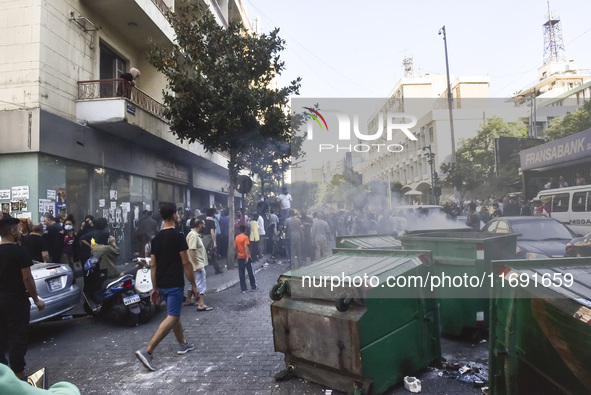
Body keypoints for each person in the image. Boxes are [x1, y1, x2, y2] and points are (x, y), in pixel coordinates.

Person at [135, 205, 197, 371]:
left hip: (161, 283)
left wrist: (154, 288)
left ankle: (183, 343)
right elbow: (186, 262)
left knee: (174, 314)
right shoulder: (178, 236)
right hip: (175, 283)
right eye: (178, 213)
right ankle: (148, 350)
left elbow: (153, 265)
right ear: (174, 215)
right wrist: (194, 286)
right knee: (172, 316)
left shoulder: (156, 239)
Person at [0, 216, 45, 379]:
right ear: (12, 232)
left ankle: (3, 378)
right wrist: (36, 299)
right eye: (18, 229)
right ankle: (18, 378)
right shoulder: (20, 251)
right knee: (17, 339)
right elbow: (27, 278)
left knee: (1, 338)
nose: (21, 232)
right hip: (16, 302)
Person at [184, 219, 213, 311]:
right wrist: (197, 264)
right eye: (203, 224)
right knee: (201, 284)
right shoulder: (193, 235)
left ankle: (190, 300)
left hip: (196, 264)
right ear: (199, 225)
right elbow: (191, 250)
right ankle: (201, 304)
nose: (204, 226)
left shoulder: (194, 235)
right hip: (197, 264)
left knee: (195, 282)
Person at [234, 224, 256, 293]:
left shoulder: (237, 237)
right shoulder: (246, 237)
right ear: (245, 230)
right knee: (250, 272)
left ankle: (243, 288)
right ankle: (253, 286)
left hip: (240, 257)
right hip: (246, 257)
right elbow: (246, 247)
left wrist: (237, 254)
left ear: (239, 230)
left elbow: (235, 247)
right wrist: (247, 257)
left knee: (241, 272)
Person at [203, 208, 222, 274]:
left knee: (209, 255)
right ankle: (204, 271)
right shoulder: (212, 221)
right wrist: (214, 242)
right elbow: (212, 232)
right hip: (209, 239)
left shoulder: (204, 221)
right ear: (212, 214)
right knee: (210, 255)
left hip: (204, 239)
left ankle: (217, 269)